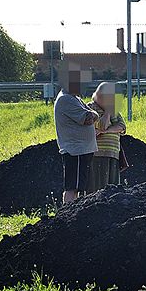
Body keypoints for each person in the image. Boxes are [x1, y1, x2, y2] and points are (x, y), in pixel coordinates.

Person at [55, 62, 100, 204]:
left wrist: (92, 113)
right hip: (76, 150)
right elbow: (88, 118)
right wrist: (94, 113)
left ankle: (75, 212)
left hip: (81, 150)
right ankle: (67, 213)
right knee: (73, 187)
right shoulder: (66, 99)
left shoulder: (74, 98)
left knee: (79, 187)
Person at [87, 82, 127, 194]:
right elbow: (101, 125)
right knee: (99, 188)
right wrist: (108, 113)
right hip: (98, 154)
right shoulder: (90, 108)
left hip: (113, 153)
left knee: (113, 189)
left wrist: (107, 130)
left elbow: (122, 127)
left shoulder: (113, 111)